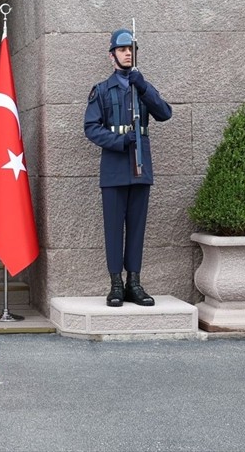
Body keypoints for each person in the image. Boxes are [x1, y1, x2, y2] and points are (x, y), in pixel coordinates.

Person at [84, 27, 172, 307]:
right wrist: (120, 140)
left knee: (136, 228)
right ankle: (116, 285)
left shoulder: (141, 86)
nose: (127, 53)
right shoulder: (101, 90)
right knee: (113, 228)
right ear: (112, 56)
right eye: (122, 50)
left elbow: (165, 113)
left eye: (131, 49)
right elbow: (91, 128)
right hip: (114, 168)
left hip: (140, 167)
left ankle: (134, 282)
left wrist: (143, 86)